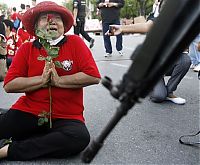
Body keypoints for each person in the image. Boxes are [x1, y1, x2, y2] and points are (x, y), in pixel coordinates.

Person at [0, 1, 101, 161]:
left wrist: (59, 81)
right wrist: (41, 80)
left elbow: (93, 76)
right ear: (35, 26)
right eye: (45, 18)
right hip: (31, 111)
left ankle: (8, 151)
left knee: (79, 138)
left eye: (57, 18)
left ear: (63, 25)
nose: (52, 20)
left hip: (67, 116)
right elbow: (9, 84)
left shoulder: (75, 42)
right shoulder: (27, 49)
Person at [106, 0, 191, 105]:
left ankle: (169, 91)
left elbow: (185, 49)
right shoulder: (157, 19)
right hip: (154, 67)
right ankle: (147, 84)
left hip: (167, 63)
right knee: (159, 97)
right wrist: (122, 28)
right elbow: (145, 27)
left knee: (185, 60)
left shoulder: (182, 23)